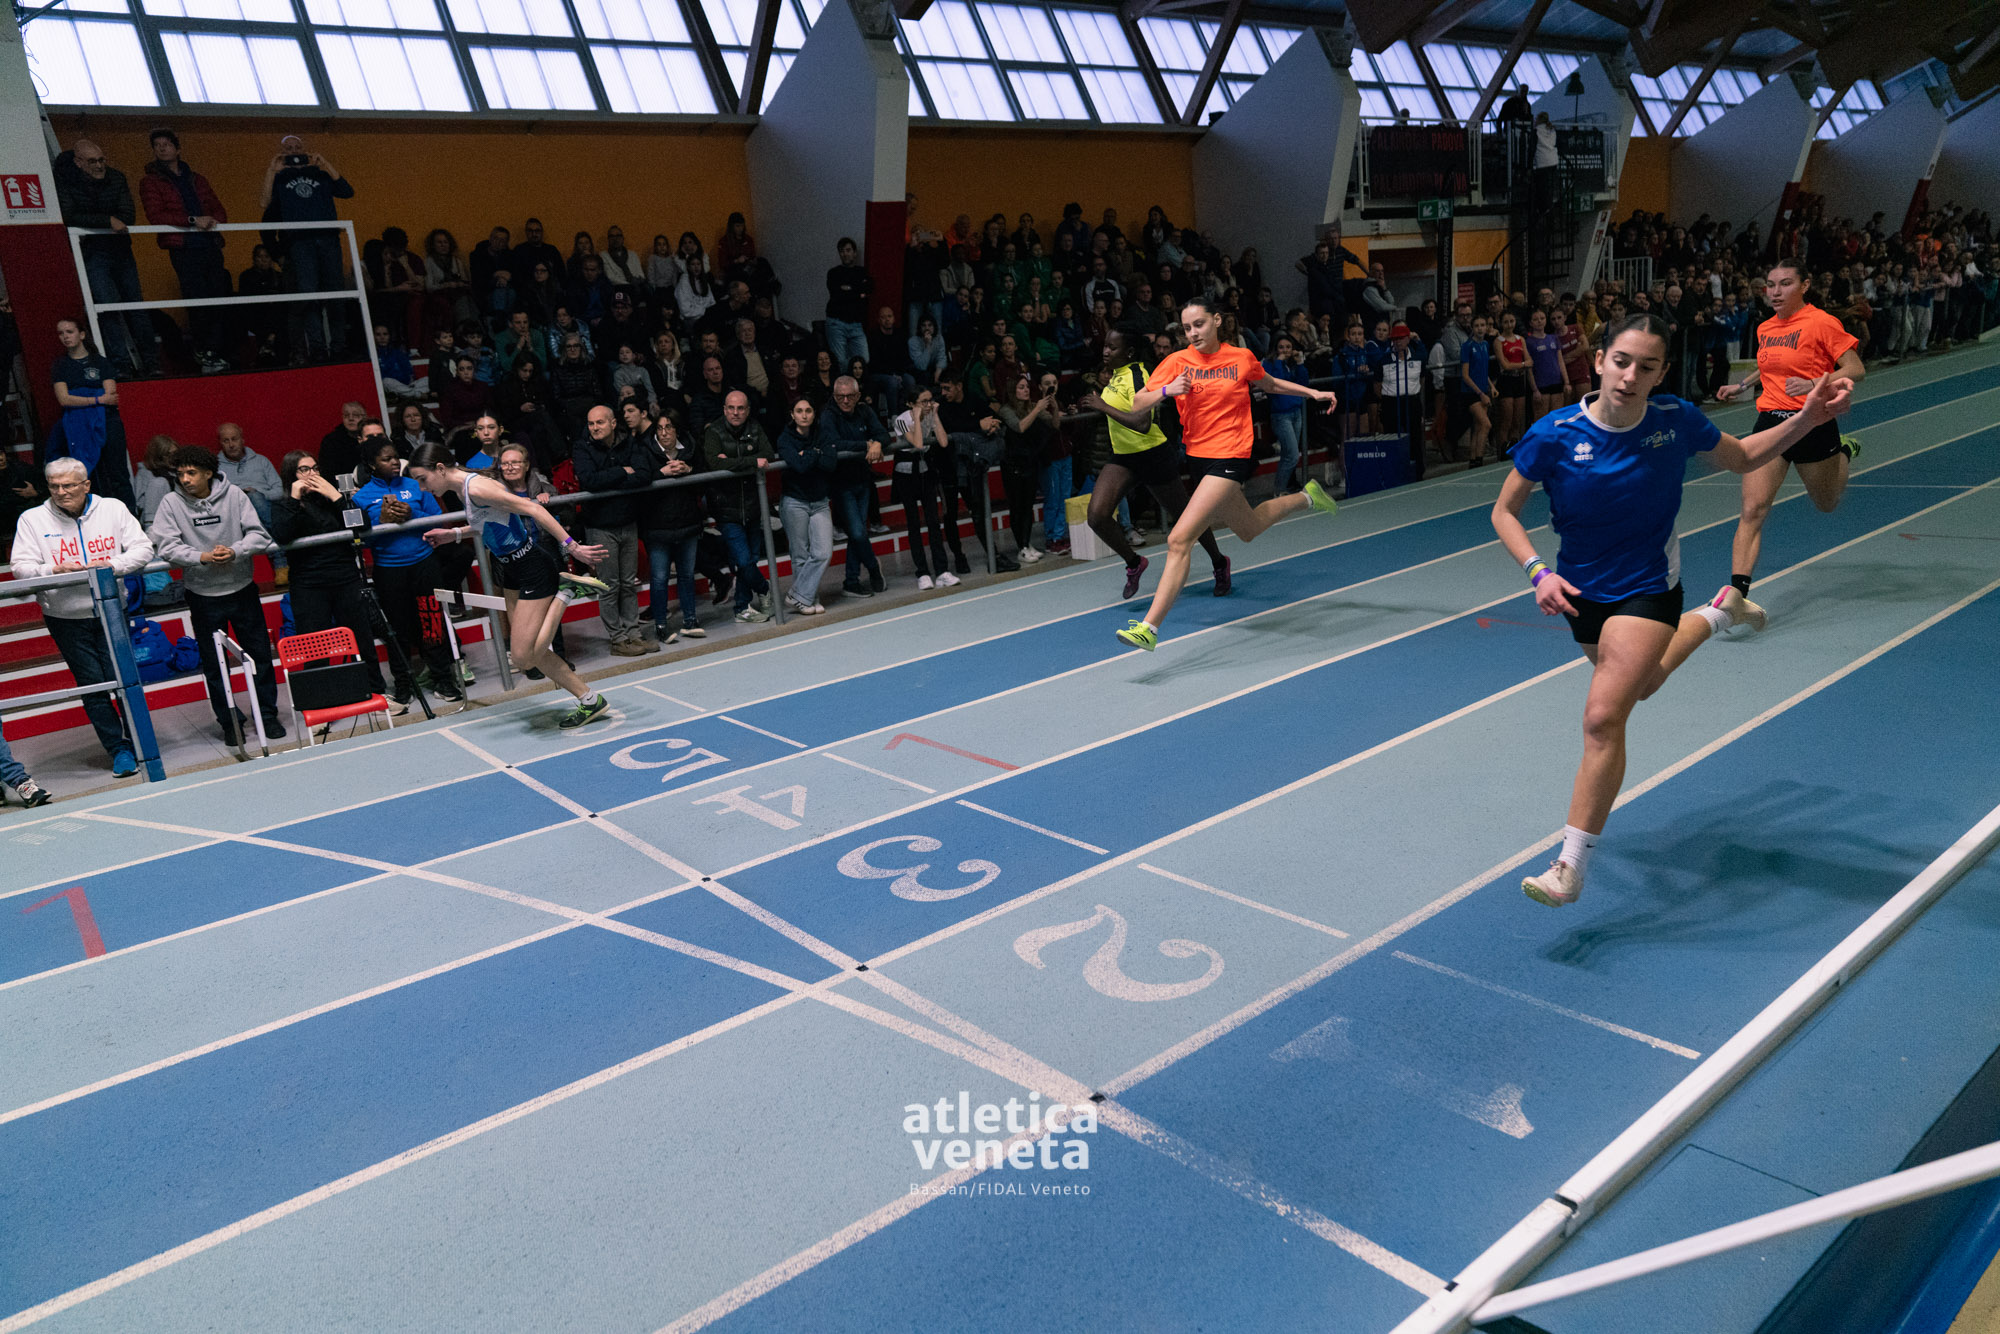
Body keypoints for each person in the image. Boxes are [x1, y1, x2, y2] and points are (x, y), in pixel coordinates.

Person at [1494, 314, 1853, 907]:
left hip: (1648, 588)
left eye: (1647, 366)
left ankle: (1569, 865)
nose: (1630, 376)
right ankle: (1721, 612)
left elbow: (1744, 456)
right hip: (1581, 594)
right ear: (1599, 360)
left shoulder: (1673, 420)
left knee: (1602, 718)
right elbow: (1504, 511)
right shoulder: (1552, 433)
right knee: (1643, 684)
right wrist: (1538, 571)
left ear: (1661, 373)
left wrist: (1809, 418)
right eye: (1621, 361)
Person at [1114, 298, 1339, 650]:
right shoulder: (1176, 361)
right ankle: (1307, 497)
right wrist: (1167, 390)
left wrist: (1312, 392)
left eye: (1199, 324)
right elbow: (1136, 403)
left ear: (1217, 321)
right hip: (1199, 458)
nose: (1193, 333)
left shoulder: (1240, 358)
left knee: (1179, 539)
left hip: (1232, 455)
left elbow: (1271, 385)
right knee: (1248, 528)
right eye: (1187, 328)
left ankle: (1149, 628)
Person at [406, 443, 610, 728]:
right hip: (514, 569)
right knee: (535, 652)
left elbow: (533, 509)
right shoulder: (465, 489)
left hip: (532, 568)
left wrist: (572, 548)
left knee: (524, 658)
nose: (422, 488)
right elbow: (488, 523)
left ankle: (567, 591)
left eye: (422, 479)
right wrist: (454, 534)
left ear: (440, 469)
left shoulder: (477, 488)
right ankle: (590, 700)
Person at [1711, 258, 1867, 622]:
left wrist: (1813, 383)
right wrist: (1742, 385)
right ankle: (1738, 594)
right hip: (1771, 424)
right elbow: (1770, 366)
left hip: (1813, 423)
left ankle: (1844, 450)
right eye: (1770, 284)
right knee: (1753, 509)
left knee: (1826, 503)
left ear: (1805, 285)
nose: (1775, 291)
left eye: (1785, 284)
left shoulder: (1822, 322)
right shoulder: (1766, 327)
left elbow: (1856, 369)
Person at [11, 458, 152, 776]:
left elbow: (143, 549)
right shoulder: (32, 519)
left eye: (68, 485)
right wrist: (53, 570)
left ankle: (141, 741)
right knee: (93, 686)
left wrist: (112, 566)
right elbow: (21, 567)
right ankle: (119, 750)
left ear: (86, 485)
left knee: (126, 679)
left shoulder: (112, 508)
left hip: (112, 610)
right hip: (65, 617)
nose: (61, 492)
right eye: (54, 486)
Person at [1077, 327, 1229, 601]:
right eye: (1105, 346)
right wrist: (1092, 406)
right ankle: (1134, 563)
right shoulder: (1114, 376)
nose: (1106, 351)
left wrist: (1103, 407)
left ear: (1129, 352)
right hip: (1123, 457)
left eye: (1113, 347)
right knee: (1097, 517)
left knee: (1186, 517)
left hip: (1152, 454)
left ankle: (1219, 562)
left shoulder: (1140, 375)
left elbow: (1142, 424)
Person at [149, 444, 288, 742]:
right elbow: (166, 546)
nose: (184, 479)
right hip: (202, 596)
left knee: (259, 657)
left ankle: (266, 715)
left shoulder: (234, 495)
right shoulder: (171, 503)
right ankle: (230, 722)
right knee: (215, 665)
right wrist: (201, 557)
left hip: (242, 590)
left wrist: (235, 550)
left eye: (191, 473)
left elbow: (259, 535)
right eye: (180, 474)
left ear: (208, 473)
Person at [351, 431, 465, 708]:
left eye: (395, 457)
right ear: (371, 464)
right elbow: (359, 541)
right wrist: (380, 522)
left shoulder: (416, 485)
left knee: (432, 623)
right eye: (386, 459)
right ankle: (403, 684)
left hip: (424, 565)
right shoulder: (362, 498)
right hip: (389, 571)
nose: (394, 462)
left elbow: (439, 520)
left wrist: (413, 514)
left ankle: (443, 679)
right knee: (396, 630)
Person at [268, 449, 389, 711]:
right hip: (308, 583)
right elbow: (283, 535)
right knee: (314, 646)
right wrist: (295, 497)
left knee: (361, 638)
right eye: (304, 469)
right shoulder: (283, 504)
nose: (312, 474)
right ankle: (320, 704)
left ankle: (374, 692)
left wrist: (336, 497)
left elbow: (362, 526)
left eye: (315, 468)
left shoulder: (331, 500)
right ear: (291, 474)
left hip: (345, 577)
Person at [54, 137, 154, 378]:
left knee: (136, 306)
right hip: (93, 253)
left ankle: (152, 363)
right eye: (92, 161)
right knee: (107, 308)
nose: (99, 166)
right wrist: (107, 220)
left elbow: (128, 215)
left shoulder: (116, 177)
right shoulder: (65, 181)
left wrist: (101, 220)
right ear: (78, 162)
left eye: (101, 160)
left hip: (121, 250)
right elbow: (69, 215)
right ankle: (120, 365)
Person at [137, 127, 231, 374]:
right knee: (198, 299)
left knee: (219, 297)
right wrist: (192, 221)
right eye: (157, 145)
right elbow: (156, 215)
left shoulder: (197, 179)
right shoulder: (150, 182)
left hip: (210, 244)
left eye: (166, 144)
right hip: (184, 247)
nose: (161, 148)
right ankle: (203, 350)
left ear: (177, 149)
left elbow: (218, 208)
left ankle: (215, 350)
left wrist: (212, 220)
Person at [571, 404, 654, 655]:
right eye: (591, 423)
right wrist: (621, 471)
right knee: (609, 586)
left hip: (628, 522)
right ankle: (618, 640)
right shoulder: (582, 447)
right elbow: (589, 481)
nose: (595, 428)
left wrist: (610, 478)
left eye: (600, 422)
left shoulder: (630, 443)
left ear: (613, 423)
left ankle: (633, 635)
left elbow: (644, 475)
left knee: (628, 583)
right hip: (599, 527)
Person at [261, 137, 354, 361]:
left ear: (305, 150)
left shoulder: (320, 174)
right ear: (282, 153)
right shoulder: (280, 178)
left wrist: (325, 164)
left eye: (298, 148)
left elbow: (347, 191)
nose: (294, 152)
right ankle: (318, 348)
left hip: (328, 239)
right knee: (309, 294)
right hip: (300, 242)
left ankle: (339, 346)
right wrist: (272, 170)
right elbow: (264, 203)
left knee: (336, 293)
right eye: (288, 149)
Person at [47, 318, 136, 511]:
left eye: (69, 331)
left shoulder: (100, 362)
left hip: (107, 420)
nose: (65, 337)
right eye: (61, 333)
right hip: (77, 425)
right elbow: (64, 399)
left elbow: (110, 396)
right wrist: (96, 399)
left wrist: (82, 397)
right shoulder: (60, 365)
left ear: (82, 334)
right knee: (87, 474)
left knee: (118, 472)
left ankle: (130, 517)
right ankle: (93, 518)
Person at [702, 392, 775, 624]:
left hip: (753, 505)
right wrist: (751, 461)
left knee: (750, 560)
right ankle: (764, 589)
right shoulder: (714, 431)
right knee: (743, 561)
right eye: (731, 408)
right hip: (726, 509)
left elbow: (768, 454)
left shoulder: (755, 427)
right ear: (724, 409)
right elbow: (715, 462)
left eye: (741, 408)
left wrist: (731, 460)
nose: (736, 412)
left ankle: (742, 607)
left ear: (748, 410)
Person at [816, 375, 888, 597]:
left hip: (863, 480)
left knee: (859, 534)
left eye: (850, 396)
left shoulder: (865, 410)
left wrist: (877, 443)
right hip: (841, 483)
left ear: (858, 396)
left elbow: (883, 434)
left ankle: (851, 581)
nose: (845, 401)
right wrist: (866, 444)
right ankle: (873, 567)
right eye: (840, 397)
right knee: (857, 532)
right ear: (834, 396)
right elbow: (833, 443)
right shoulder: (828, 415)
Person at [891, 388, 960, 591]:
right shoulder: (900, 420)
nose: (929, 405)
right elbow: (918, 443)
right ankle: (922, 572)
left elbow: (943, 442)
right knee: (914, 524)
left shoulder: (931, 414)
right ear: (911, 404)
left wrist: (935, 416)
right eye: (924, 402)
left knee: (933, 522)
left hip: (926, 472)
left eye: (930, 401)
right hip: (906, 475)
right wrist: (916, 417)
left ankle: (942, 571)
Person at [774, 398, 837, 615]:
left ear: (813, 413)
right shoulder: (785, 438)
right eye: (799, 411)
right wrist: (817, 453)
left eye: (808, 410)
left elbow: (831, 463)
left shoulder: (823, 433)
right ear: (792, 414)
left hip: (820, 501)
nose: (804, 415)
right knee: (800, 554)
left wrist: (809, 454)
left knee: (823, 552)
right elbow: (799, 466)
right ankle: (808, 599)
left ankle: (797, 596)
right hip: (794, 501)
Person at [216, 422, 288, 587]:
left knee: (255, 498)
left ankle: (280, 563)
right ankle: (281, 562)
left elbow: (279, 491)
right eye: (226, 440)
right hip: (235, 513)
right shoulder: (216, 468)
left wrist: (258, 493)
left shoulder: (261, 461)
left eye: (234, 439)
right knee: (249, 499)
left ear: (242, 439)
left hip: (266, 506)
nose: (231, 444)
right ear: (221, 443)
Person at [1262, 332, 1312, 496]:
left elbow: (1303, 383)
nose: (1285, 350)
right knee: (1291, 455)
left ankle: (1283, 488)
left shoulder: (1292, 364)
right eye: (1281, 347)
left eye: (1288, 347)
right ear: (1275, 349)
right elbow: (1276, 384)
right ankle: (1279, 491)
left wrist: (1300, 364)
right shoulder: (1269, 364)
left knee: (1288, 454)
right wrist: (1279, 362)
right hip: (1281, 415)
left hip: (1296, 412)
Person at [825, 238, 872, 370]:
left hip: (856, 324)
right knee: (840, 361)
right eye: (842, 251)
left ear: (854, 253)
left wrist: (849, 289)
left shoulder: (862, 271)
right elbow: (837, 294)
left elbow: (870, 288)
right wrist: (859, 292)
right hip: (836, 323)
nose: (845, 254)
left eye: (848, 250)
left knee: (864, 360)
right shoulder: (834, 273)